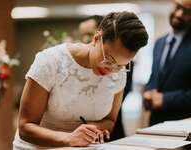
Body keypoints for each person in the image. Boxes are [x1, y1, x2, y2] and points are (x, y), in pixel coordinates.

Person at [13, 11, 148, 149]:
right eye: (108, 60)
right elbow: (25, 127)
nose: (111, 70)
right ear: (97, 38)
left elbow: (110, 121)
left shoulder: (119, 75)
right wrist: (70, 138)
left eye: (120, 66)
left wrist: (91, 130)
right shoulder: (50, 61)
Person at [143, 0, 191, 126]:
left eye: (187, 12)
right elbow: (155, 78)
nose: (179, 14)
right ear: (171, 4)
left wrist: (165, 99)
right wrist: (148, 91)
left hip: (183, 127)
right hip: (155, 124)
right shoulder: (159, 43)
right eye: (178, 7)